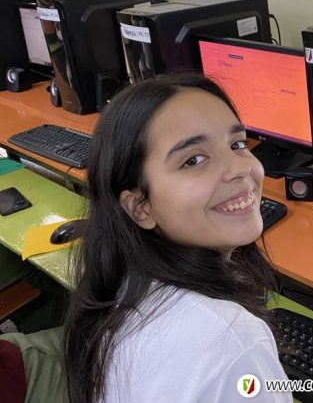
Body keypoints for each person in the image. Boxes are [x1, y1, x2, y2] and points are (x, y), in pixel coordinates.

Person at [63, 74, 291, 402]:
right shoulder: (233, 342)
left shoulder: (123, 281)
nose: (239, 168)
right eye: (193, 160)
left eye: (237, 144)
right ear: (140, 207)